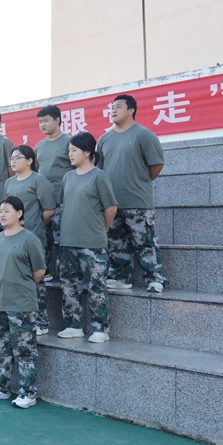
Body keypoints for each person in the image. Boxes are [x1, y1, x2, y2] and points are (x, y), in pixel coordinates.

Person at [97, 94, 167, 293]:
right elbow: (100, 171)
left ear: (131, 110)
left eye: (118, 107)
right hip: (112, 203)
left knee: (145, 242)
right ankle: (120, 278)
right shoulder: (104, 139)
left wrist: (140, 181)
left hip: (138, 201)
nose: (113, 110)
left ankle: (154, 279)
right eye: (112, 107)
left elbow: (156, 165)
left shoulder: (144, 135)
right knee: (116, 243)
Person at [0, 196, 45, 409]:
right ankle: (1, 387)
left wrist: (21, 285)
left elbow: (39, 271)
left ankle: (28, 393)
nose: (2, 214)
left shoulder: (29, 239)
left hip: (21, 304)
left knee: (25, 350)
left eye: (7, 210)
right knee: (1, 347)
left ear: (19, 213)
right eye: (0, 211)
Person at [57, 132, 117, 343]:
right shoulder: (68, 177)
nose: (70, 154)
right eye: (69, 150)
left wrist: (101, 229)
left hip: (92, 243)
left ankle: (101, 329)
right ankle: (73, 326)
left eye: (74, 150)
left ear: (87, 151)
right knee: (68, 286)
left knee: (96, 287)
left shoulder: (99, 176)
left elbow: (110, 208)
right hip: (68, 241)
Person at [4, 145, 56, 336]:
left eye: (17, 157)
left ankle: (41, 322)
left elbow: (49, 209)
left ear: (29, 160)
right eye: (11, 158)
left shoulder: (38, 180)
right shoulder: (9, 183)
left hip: (33, 237)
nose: (13, 161)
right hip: (12, 239)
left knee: (36, 281)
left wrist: (35, 223)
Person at [35, 105, 74, 281]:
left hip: (64, 199)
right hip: (43, 201)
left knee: (65, 237)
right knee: (44, 236)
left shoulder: (69, 142)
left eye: (46, 120)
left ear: (57, 120)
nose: (42, 125)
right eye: (40, 122)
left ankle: (68, 273)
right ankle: (46, 271)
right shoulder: (39, 146)